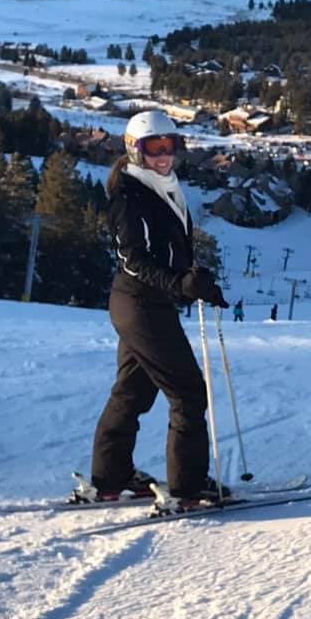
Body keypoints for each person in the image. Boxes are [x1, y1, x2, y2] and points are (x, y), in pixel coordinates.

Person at [90, 110, 229, 504]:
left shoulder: (160, 184)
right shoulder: (131, 196)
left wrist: (196, 283)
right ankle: (188, 489)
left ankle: (110, 479)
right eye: (154, 148)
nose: (163, 155)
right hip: (141, 305)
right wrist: (179, 283)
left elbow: (168, 252)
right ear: (135, 150)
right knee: (187, 392)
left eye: (170, 146)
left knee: (132, 391)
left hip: (142, 303)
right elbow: (134, 259)